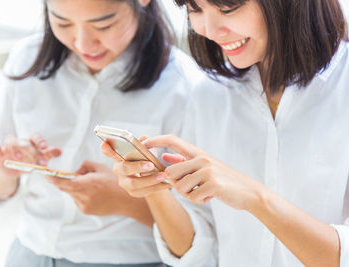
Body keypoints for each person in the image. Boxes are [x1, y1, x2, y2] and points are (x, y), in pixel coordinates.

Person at [102, 0, 349, 266]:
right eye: (195, 9)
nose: (209, 29)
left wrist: (254, 197)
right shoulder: (209, 94)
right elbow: (200, 253)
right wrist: (154, 186)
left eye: (228, 8)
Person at [0, 0, 205, 266]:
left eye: (104, 25)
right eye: (62, 23)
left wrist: (126, 203)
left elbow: (198, 234)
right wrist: (7, 170)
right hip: (27, 253)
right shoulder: (25, 58)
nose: (84, 44)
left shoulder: (186, 86)